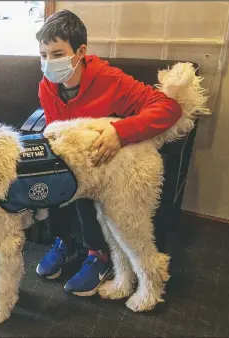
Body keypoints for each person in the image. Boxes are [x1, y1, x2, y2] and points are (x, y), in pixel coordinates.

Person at [35, 10, 182, 296]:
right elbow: (55, 129)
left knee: (84, 191)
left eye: (57, 54)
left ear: (81, 52)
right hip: (72, 159)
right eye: (43, 55)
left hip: (107, 164)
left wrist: (120, 132)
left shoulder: (109, 79)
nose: (48, 63)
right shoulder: (46, 86)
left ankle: (96, 256)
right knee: (49, 177)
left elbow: (168, 108)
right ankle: (63, 242)